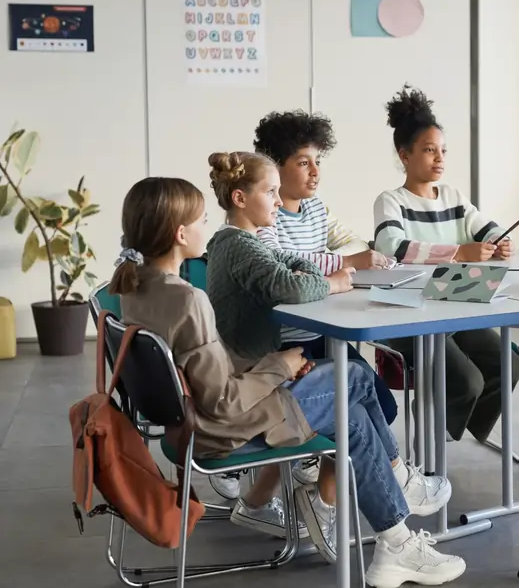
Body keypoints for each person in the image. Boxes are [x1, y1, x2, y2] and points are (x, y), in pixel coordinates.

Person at [113, 176, 466, 587]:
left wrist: (271, 363)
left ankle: (396, 541)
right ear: (179, 233)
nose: (206, 227)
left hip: (185, 428)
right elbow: (223, 402)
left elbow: (201, 370)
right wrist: (278, 366)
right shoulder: (189, 300)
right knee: (355, 376)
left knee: (350, 415)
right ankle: (399, 485)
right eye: (201, 219)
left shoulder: (135, 289)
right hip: (223, 428)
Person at [373, 84, 519, 444]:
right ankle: (430, 427)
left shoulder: (454, 197)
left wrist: (501, 241)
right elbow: (391, 247)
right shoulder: (390, 201)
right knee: (468, 381)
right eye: (428, 150)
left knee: (511, 363)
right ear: (404, 155)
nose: (439, 158)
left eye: (442, 151)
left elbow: (489, 227)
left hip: (456, 305)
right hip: (410, 314)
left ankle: (444, 427)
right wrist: (457, 253)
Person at [252, 109, 398, 422]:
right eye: (304, 162)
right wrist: (343, 262)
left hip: (323, 330)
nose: (315, 172)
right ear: (275, 168)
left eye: (317, 161)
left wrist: (350, 261)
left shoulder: (316, 208)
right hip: (286, 342)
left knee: (383, 407)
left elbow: (334, 250)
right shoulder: (264, 214)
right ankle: (327, 461)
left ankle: (339, 468)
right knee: (357, 409)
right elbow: (281, 261)